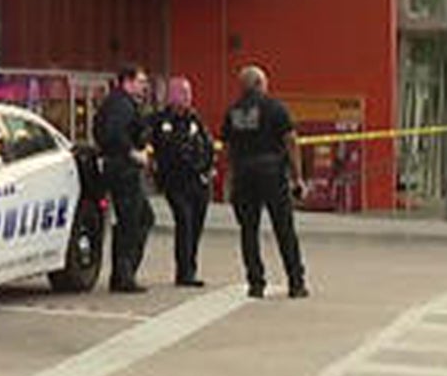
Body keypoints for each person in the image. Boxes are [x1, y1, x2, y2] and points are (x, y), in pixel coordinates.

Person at [220, 64, 307, 299]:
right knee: (284, 228)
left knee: (249, 230)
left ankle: (255, 283)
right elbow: (290, 141)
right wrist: (298, 177)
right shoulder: (275, 107)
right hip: (272, 173)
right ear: (260, 84)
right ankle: (296, 282)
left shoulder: (233, 111)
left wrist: (228, 179)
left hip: (244, 175)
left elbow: (227, 148)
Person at [150, 76, 216, 288]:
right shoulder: (162, 121)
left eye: (188, 93)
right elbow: (167, 149)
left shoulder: (195, 119)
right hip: (175, 182)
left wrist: (206, 167)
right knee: (185, 223)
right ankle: (184, 272)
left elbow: (207, 143)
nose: (187, 97)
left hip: (199, 181)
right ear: (171, 96)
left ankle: (190, 267)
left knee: (196, 225)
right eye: (182, 93)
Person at [93, 65, 154, 293]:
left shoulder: (119, 103)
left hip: (120, 167)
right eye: (140, 81)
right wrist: (132, 153)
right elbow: (113, 133)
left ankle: (123, 272)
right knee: (134, 220)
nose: (144, 86)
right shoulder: (121, 104)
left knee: (138, 219)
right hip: (123, 170)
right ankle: (123, 275)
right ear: (127, 81)